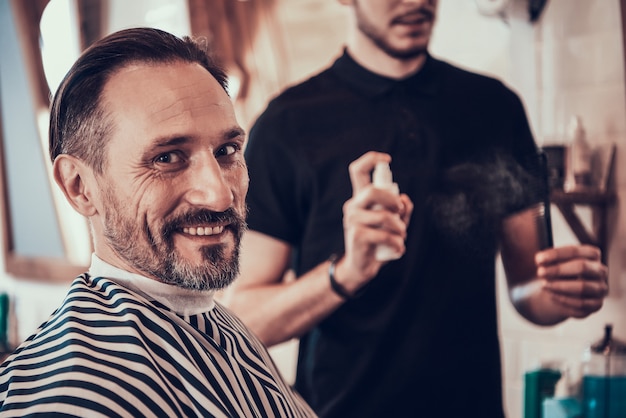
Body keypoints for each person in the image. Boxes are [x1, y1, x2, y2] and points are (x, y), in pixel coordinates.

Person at [220, 1, 609, 417]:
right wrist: (346, 272)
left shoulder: (494, 108)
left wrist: (567, 291)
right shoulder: (287, 125)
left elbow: (528, 287)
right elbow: (247, 320)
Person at [0, 27, 315, 418]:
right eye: (167, 158)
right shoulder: (73, 398)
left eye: (227, 150)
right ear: (80, 186)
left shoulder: (213, 319)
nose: (219, 194)